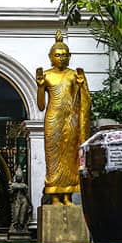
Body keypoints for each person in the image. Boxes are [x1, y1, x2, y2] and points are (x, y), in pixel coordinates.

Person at [36, 30, 91, 205]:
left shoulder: (74, 75)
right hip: (53, 119)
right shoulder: (47, 75)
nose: (61, 58)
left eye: (64, 55)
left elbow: (85, 101)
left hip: (71, 120)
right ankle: (54, 196)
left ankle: (67, 196)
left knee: (70, 156)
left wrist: (82, 86)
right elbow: (40, 105)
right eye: (57, 55)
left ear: (69, 56)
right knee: (53, 157)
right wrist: (40, 87)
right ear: (50, 56)